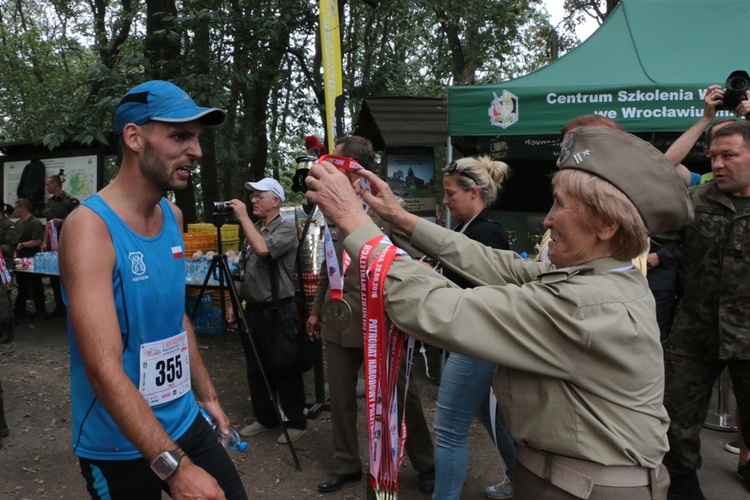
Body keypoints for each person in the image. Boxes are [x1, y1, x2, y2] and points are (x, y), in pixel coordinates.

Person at [306, 126, 694, 499]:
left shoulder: (587, 302)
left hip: (584, 486)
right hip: (573, 478)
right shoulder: (603, 273)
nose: (547, 219)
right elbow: (499, 264)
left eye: (559, 204)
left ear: (608, 225)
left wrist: (354, 222)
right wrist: (399, 217)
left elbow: (438, 308)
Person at [59, 80, 246, 499]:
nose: (195, 151)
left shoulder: (172, 216)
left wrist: (208, 397)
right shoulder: (90, 230)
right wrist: (173, 468)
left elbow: (174, 316)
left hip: (184, 419)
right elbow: (102, 367)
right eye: (180, 136)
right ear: (134, 137)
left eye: (196, 139)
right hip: (117, 444)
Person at [306, 136, 436, 494]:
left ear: (355, 168)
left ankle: (426, 462)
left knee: (400, 395)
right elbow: (327, 267)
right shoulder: (331, 209)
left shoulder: (385, 209)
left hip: (382, 320)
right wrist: (316, 312)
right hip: (339, 318)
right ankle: (346, 464)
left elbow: (412, 264)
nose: (330, 169)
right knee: (341, 398)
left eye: (338, 163)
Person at [662, 118, 750, 500]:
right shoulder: (694, 202)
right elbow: (647, 237)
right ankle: (682, 487)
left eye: (728, 156)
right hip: (694, 335)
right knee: (675, 422)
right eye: (713, 156)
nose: (716, 164)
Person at [431, 156, 515, 500]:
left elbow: (489, 293)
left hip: (477, 340)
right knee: (488, 416)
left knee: (449, 429)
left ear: (473, 192)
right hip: (469, 338)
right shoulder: (468, 228)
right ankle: (520, 477)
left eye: (451, 193)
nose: (447, 199)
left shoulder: (486, 232)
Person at [225, 178, 308, 445]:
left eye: (259, 196)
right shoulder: (253, 231)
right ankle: (266, 418)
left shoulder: (284, 230)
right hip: (254, 310)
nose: (253, 201)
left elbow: (263, 250)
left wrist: (242, 218)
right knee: (256, 367)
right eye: (252, 197)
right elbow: (242, 271)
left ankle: (296, 421)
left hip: (278, 309)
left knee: (282, 365)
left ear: (276, 200)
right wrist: (232, 302)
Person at [42, 173, 80, 318]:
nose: (46, 187)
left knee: (68, 274)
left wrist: (61, 221)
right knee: (53, 275)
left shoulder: (71, 202)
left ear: (55, 185)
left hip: (68, 241)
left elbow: (77, 221)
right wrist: (45, 241)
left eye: (48, 184)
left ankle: (71, 305)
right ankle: (59, 305)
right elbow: (48, 223)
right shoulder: (50, 202)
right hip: (53, 243)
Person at [13, 198, 45, 319]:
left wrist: (22, 245)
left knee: (35, 282)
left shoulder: (34, 222)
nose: (15, 210)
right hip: (21, 257)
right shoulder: (17, 223)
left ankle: (40, 309)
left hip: (31, 256)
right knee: (22, 283)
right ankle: (20, 310)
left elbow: (37, 241)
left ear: (23, 208)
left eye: (17, 207)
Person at [0, 203, 18, 344]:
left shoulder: (8, 225)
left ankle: (7, 328)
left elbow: (11, 246)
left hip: (3, 266)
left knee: (3, 297)